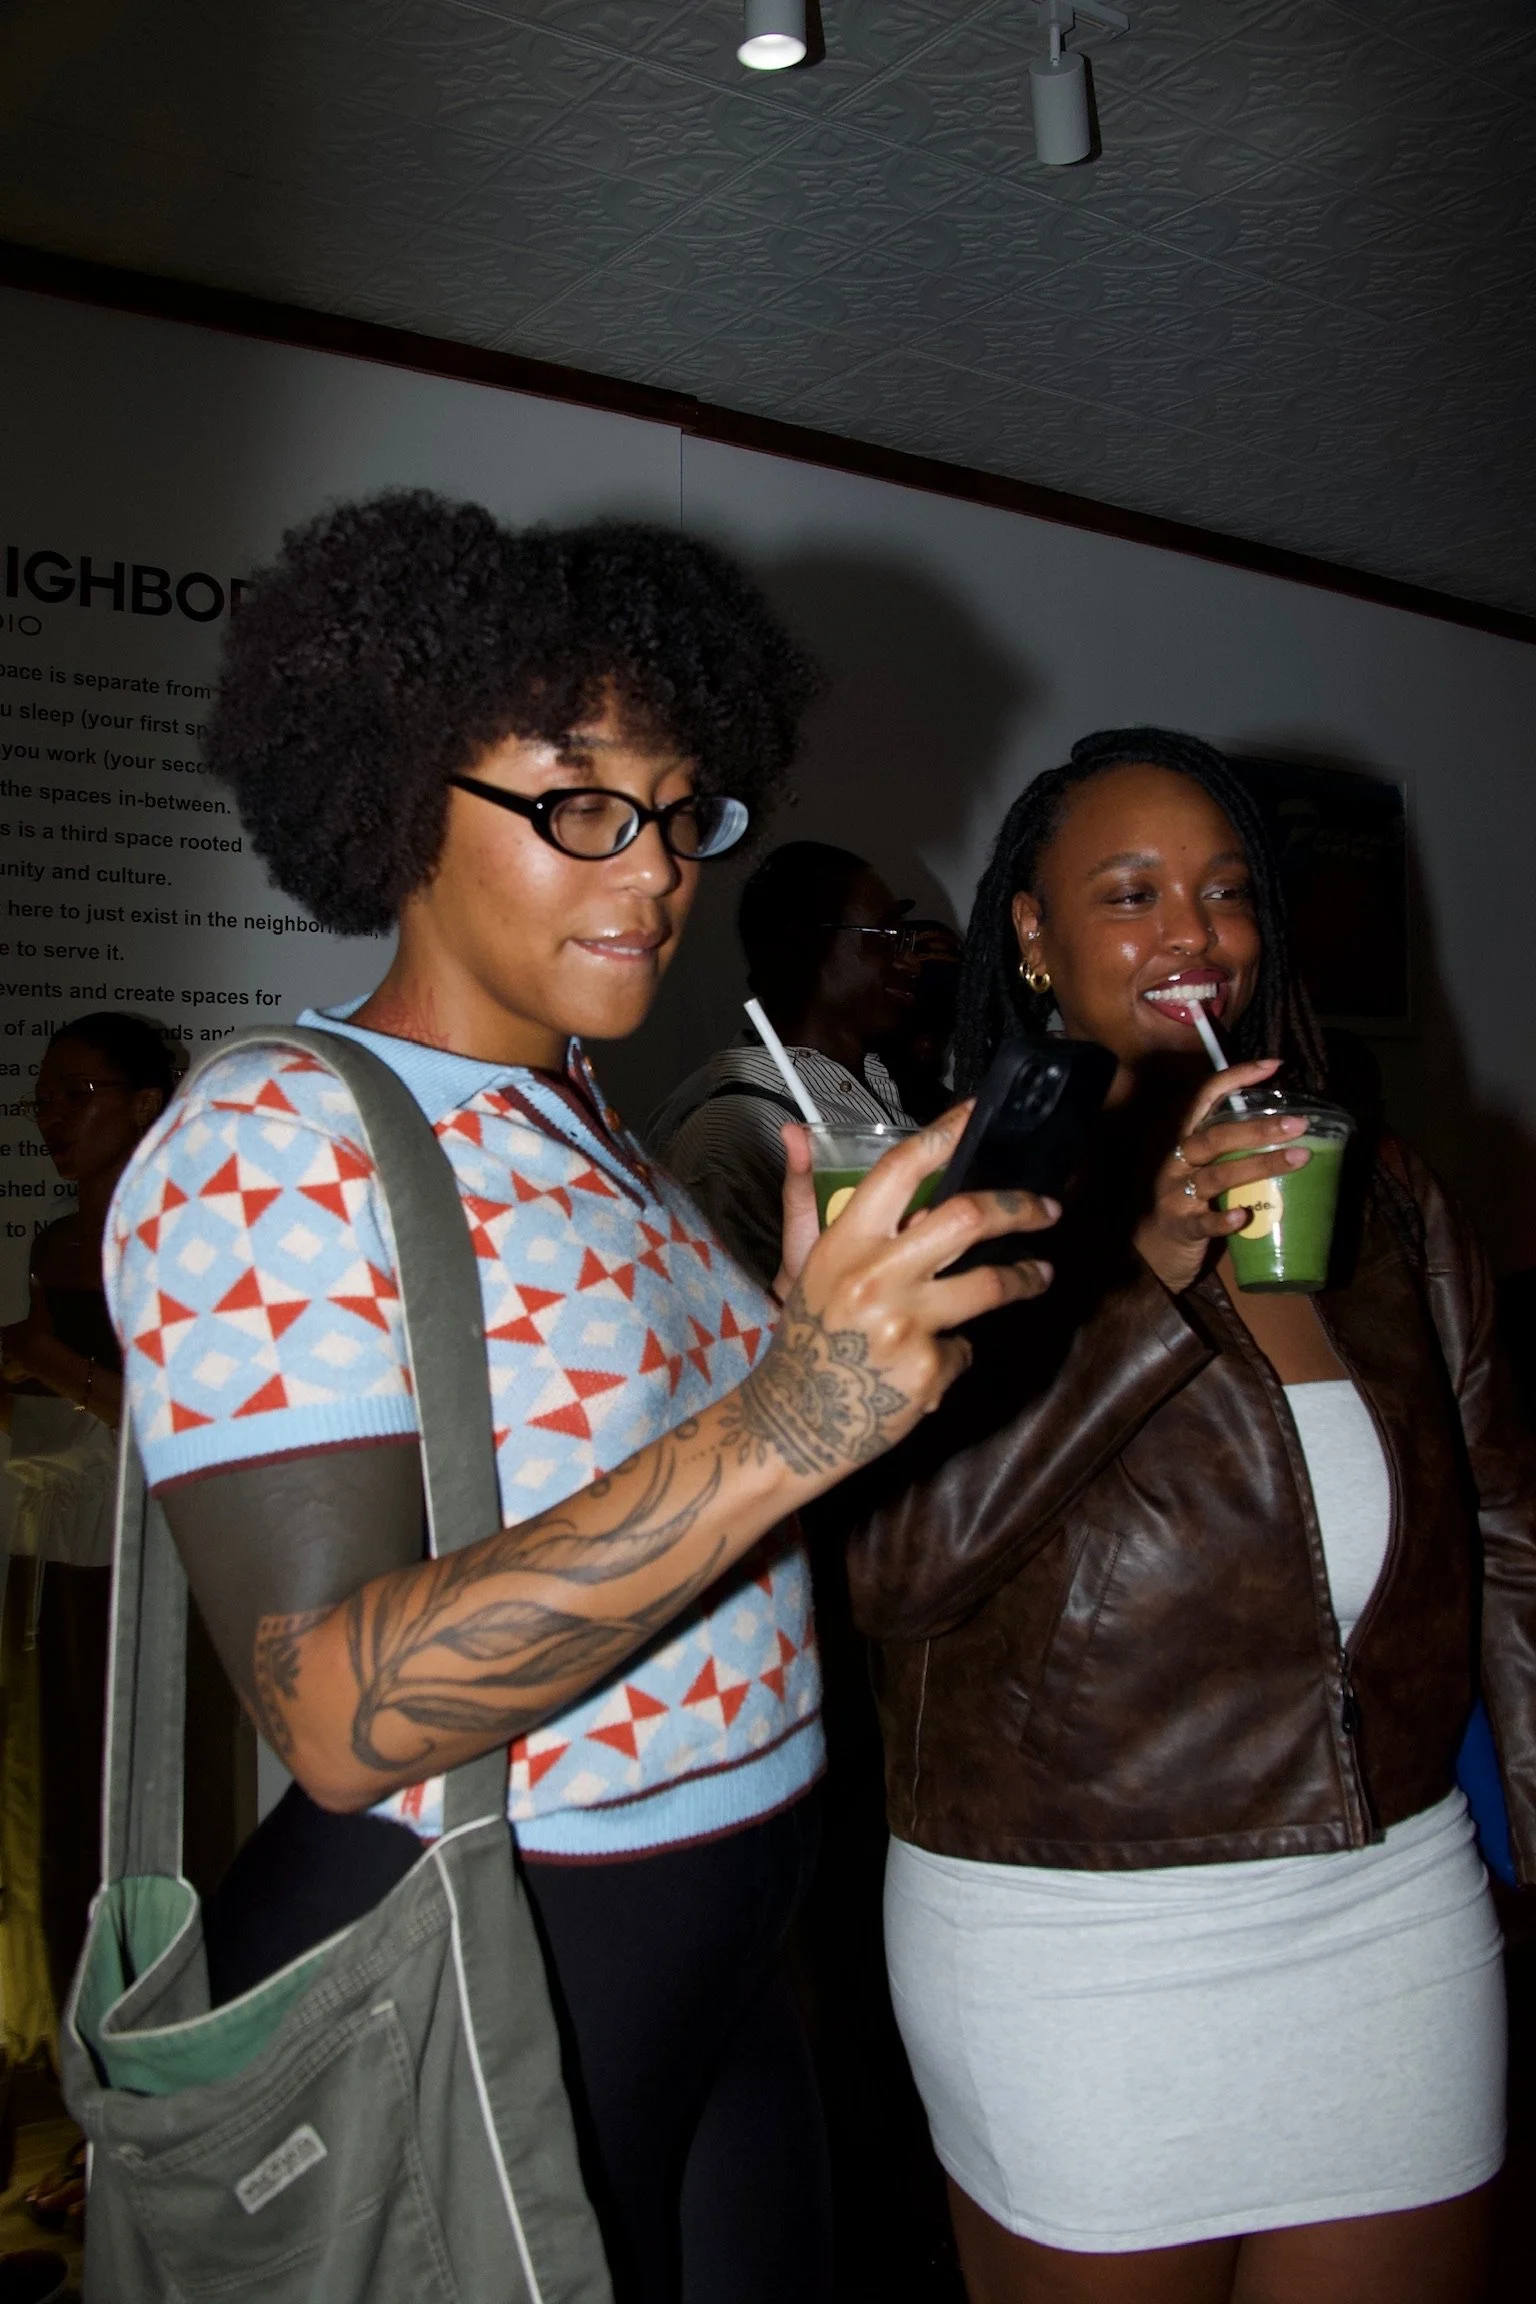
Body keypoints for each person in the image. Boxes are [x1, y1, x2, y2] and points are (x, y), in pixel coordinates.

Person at [103, 493, 1055, 2304]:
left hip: (727, 1937)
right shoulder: (273, 1136)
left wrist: (857, 1373)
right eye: (581, 805)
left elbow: (706, 1502)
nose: (656, 871)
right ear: (400, 795)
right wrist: (789, 1415)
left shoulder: (589, 1123)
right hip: (506, 1946)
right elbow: (338, 1708)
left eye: (682, 811)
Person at [832, 725, 1536, 2304]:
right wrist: (1142, 1276)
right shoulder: (942, 1212)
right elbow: (896, 1573)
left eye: (1226, 892)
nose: (1193, 934)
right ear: (1034, 934)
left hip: (1390, 1899)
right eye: (1132, 892)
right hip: (1073, 1936)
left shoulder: (1384, 1195)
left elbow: (1508, 1536)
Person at [0, 1015, 182, 2244]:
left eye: (81, 1094)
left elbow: (171, 1413)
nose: (55, 1120)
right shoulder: (59, 1240)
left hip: (161, 1561)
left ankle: (149, 2124)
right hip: (60, 1555)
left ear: (148, 1101)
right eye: (46, 1099)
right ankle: (87, 2105)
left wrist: (50, 1365)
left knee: (150, 1822)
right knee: (57, 1819)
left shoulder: (173, 1232)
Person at [648, 840, 921, 1288]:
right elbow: (740, 1324)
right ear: (808, 944)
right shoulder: (731, 1136)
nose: (910, 961)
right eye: (887, 936)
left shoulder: (877, 1092)